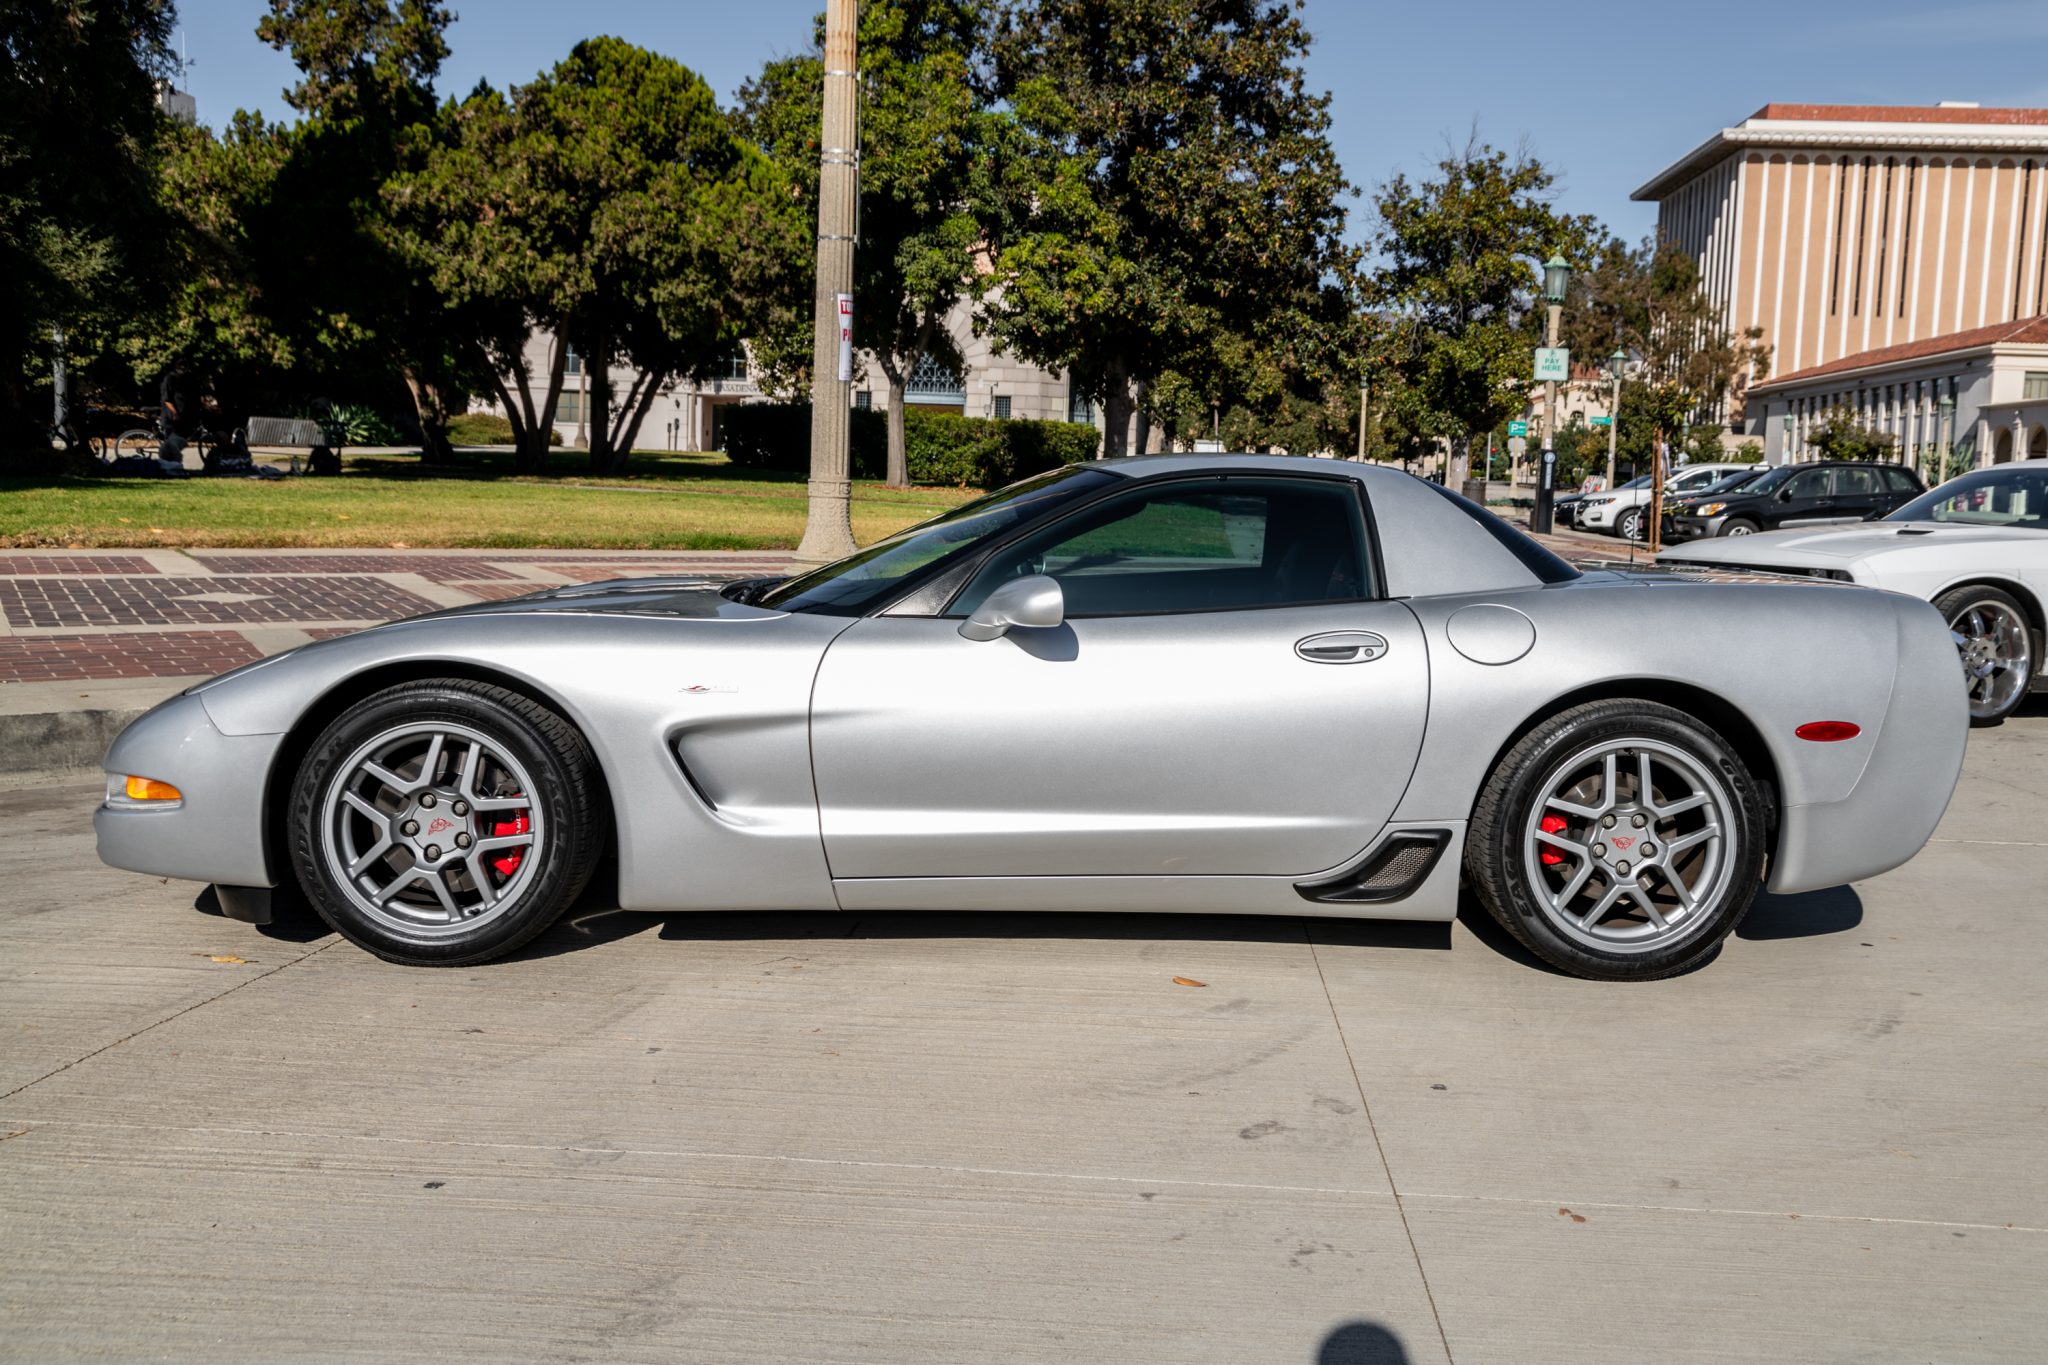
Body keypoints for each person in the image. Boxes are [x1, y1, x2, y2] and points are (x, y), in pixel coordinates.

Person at [158, 355, 200, 472]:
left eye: (184, 365)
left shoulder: (188, 378)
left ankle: (173, 464)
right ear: (175, 366)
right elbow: (166, 399)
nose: (182, 368)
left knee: (180, 441)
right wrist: (174, 413)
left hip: (185, 417)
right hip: (171, 418)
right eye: (180, 365)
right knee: (172, 444)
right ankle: (172, 464)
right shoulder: (169, 379)